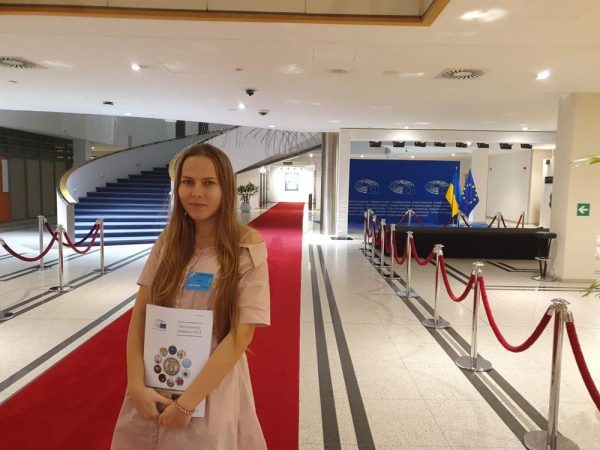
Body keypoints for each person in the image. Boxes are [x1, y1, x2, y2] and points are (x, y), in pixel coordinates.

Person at [111, 143, 270, 449]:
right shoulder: (168, 241)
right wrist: (135, 385)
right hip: (156, 376)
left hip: (211, 384)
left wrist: (187, 404)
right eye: (188, 182)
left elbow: (242, 333)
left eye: (208, 183)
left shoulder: (245, 246)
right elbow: (141, 314)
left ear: (225, 189)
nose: (196, 192)